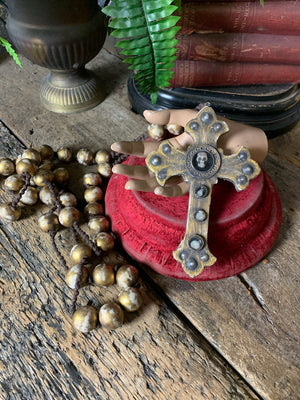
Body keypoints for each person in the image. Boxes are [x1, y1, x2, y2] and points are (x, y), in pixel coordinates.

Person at [111, 108, 268, 197]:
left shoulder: (208, 139)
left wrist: (242, 140)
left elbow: (245, 164)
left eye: (202, 160)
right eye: (199, 159)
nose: (200, 162)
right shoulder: (187, 160)